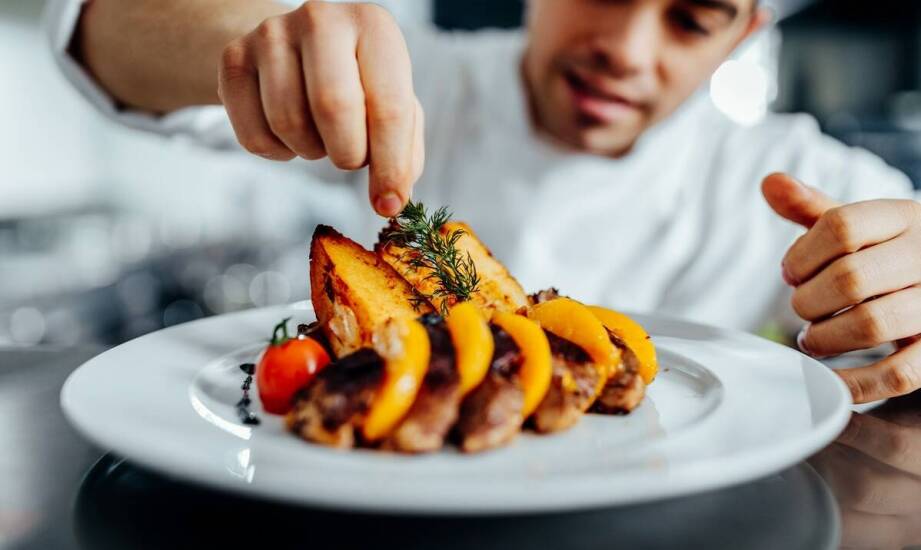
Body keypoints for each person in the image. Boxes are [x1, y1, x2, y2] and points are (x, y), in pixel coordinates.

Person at [45, 0, 921, 404]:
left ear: (744, 32)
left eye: (691, 18)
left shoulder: (796, 172)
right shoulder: (429, 75)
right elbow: (92, 33)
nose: (622, 47)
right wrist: (243, 42)